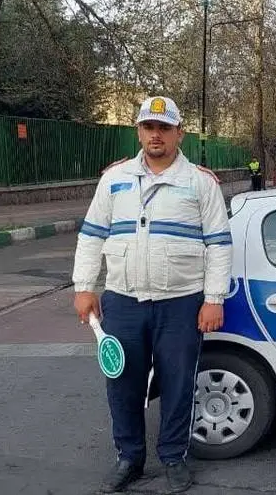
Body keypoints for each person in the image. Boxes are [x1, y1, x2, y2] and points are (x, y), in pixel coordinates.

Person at [72, 96, 232, 493]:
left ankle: (174, 457)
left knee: (178, 383)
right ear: (139, 132)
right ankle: (129, 458)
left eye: (164, 127)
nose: (155, 135)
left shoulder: (200, 182)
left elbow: (218, 244)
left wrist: (213, 298)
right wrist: (84, 287)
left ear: (180, 133)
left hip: (181, 302)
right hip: (123, 300)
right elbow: (92, 236)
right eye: (148, 127)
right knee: (122, 382)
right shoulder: (114, 179)